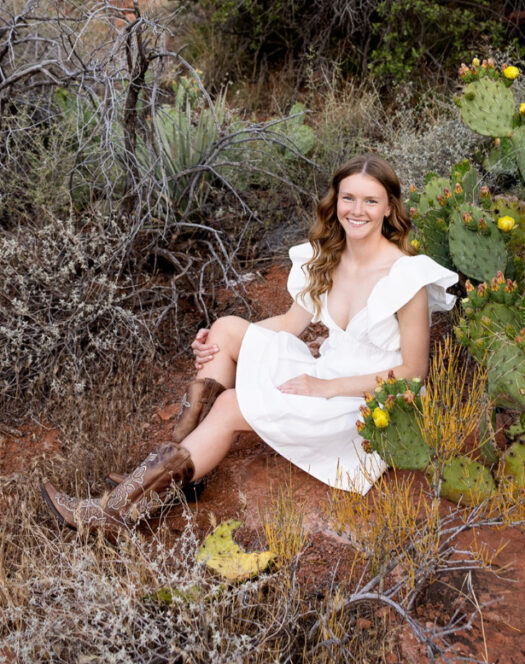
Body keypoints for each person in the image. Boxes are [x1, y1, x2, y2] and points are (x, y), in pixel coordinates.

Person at [41, 154, 458, 535]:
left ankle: (115, 513)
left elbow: (413, 374)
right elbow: (291, 324)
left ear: (389, 207)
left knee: (230, 405)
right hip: (323, 375)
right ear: (336, 202)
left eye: (371, 201)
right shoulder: (328, 256)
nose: (357, 210)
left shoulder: (406, 277)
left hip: (363, 404)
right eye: (348, 198)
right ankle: (187, 471)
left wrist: (325, 388)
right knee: (224, 328)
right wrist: (220, 344)